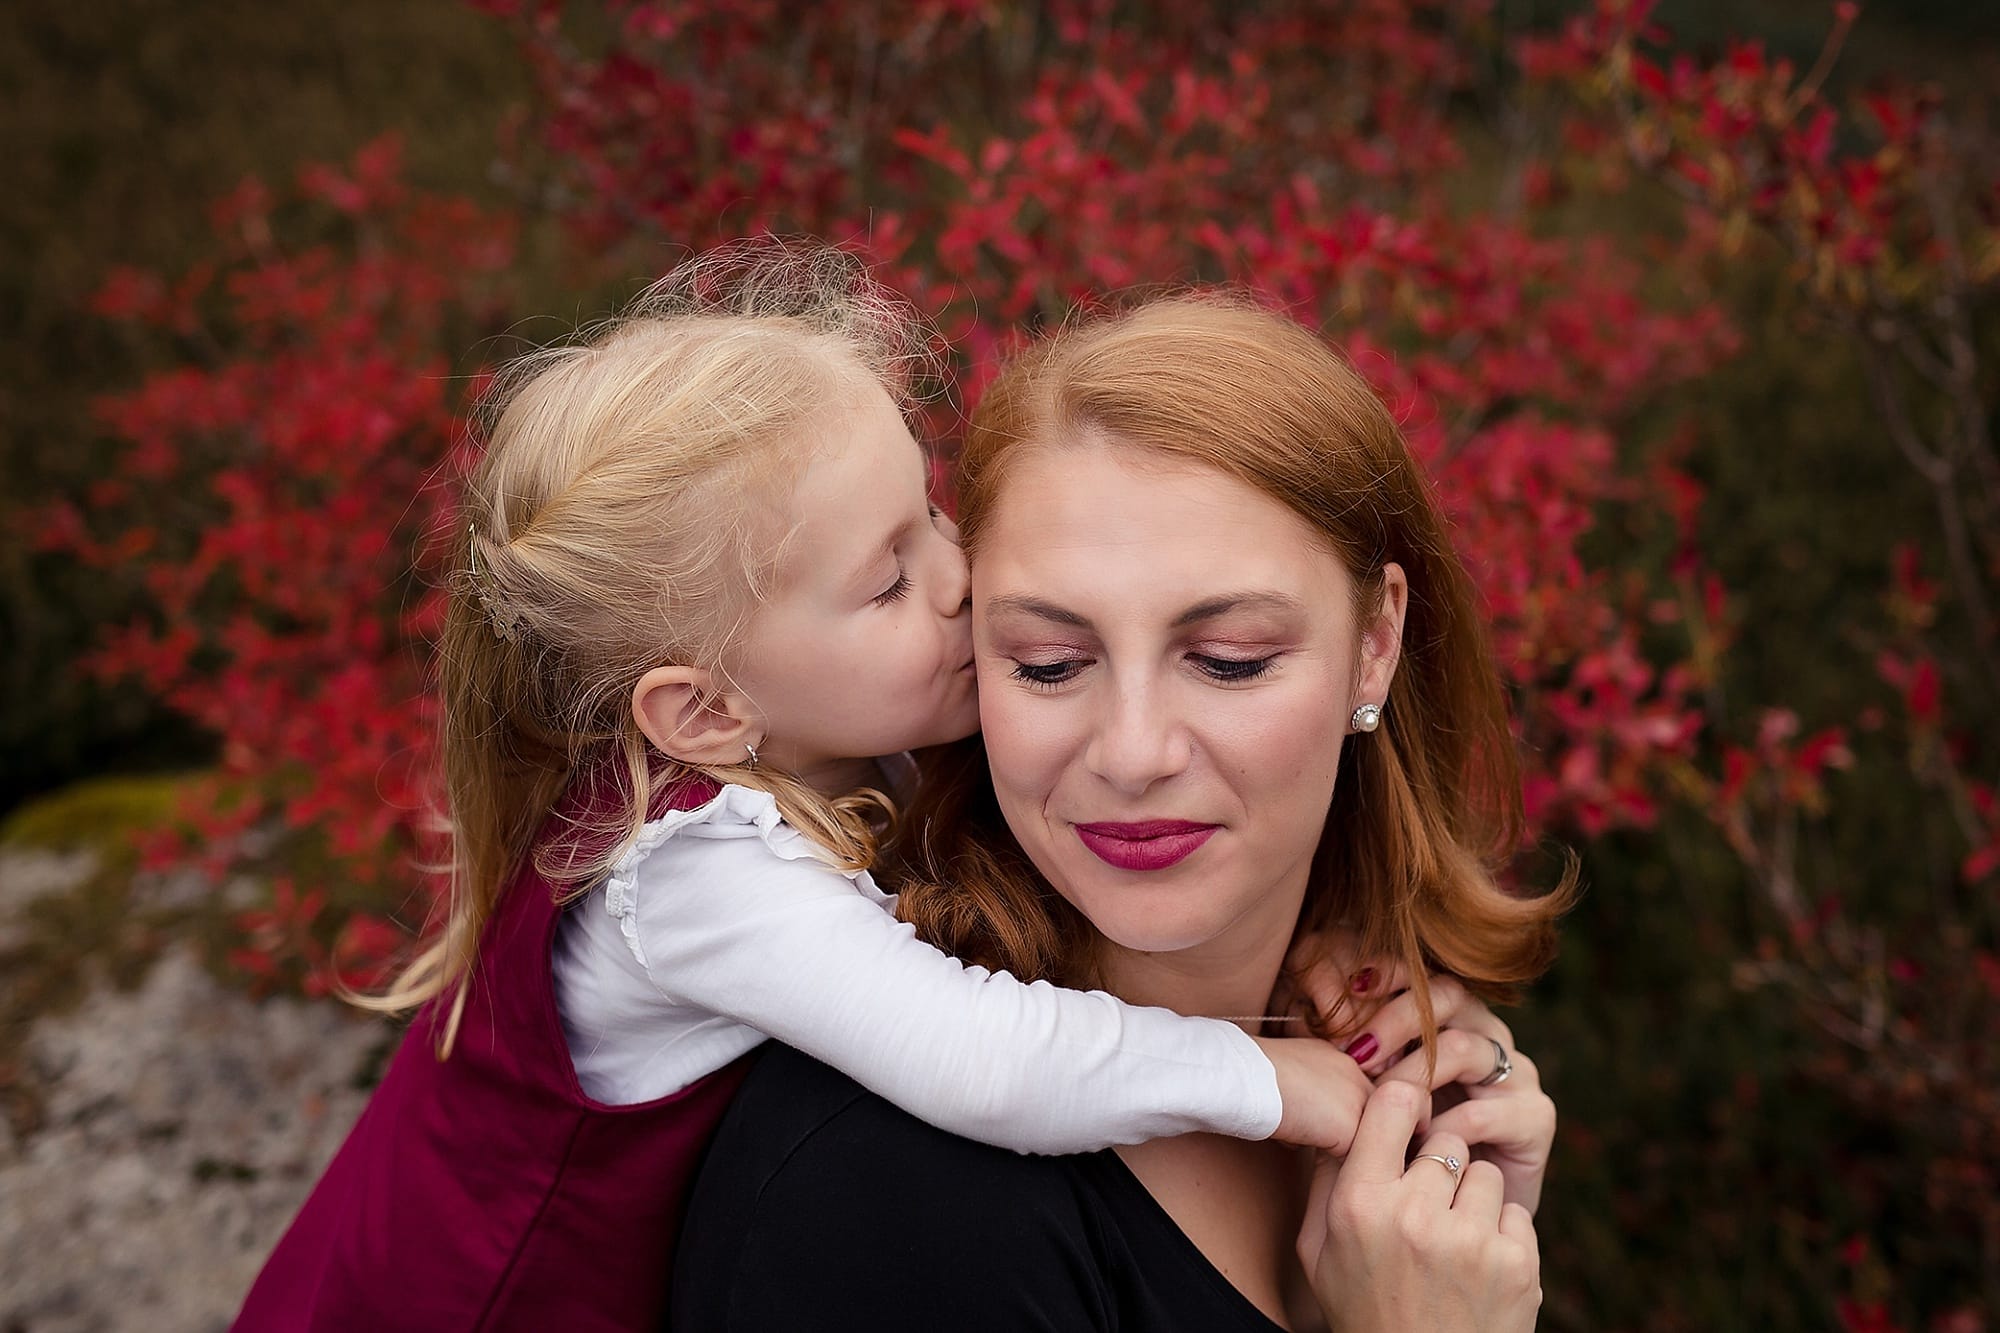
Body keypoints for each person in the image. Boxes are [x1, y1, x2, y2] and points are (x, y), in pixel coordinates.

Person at [233, 250, 1386, 1333]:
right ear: (705, 715)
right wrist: (1264, 1079)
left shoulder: (821, 736)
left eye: (932, 515)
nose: (961, 585)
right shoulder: (698, 873)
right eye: (889, 581)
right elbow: (978, 1057)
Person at [671, 294, 1571, 1331]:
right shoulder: (886, 1188)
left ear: (1374, 642)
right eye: (1049, 665)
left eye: (1227, 660)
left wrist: (1450, 1219)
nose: (1133, 752)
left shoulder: (1395, 1084)